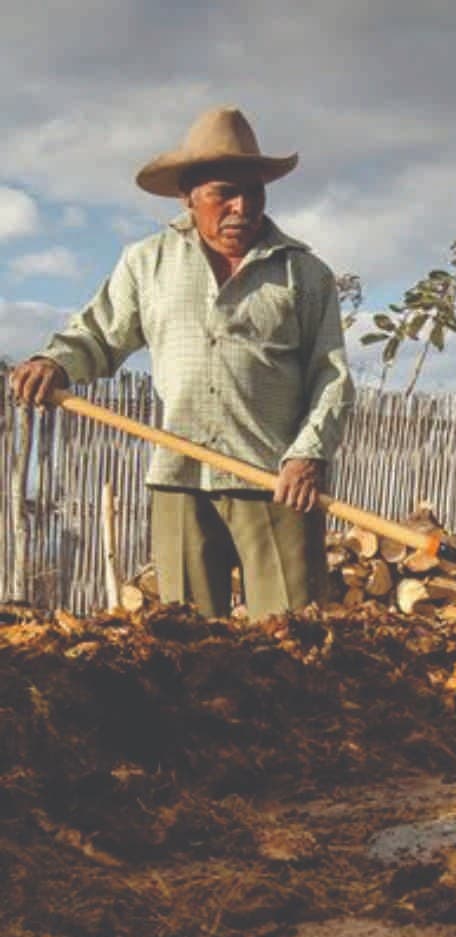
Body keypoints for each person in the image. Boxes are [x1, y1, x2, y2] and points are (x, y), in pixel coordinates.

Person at [8, 106, 355, 619]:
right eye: (223, 194)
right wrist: (54, 363)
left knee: (292, 641)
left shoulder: (303, 273)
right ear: (187, 197)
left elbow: (331, 375)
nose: (241, 207)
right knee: (185, 643)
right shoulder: (148, 263)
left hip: (275, 482)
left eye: (253, 192)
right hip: (180, 477)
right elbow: (99, 333)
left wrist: (308, 455)